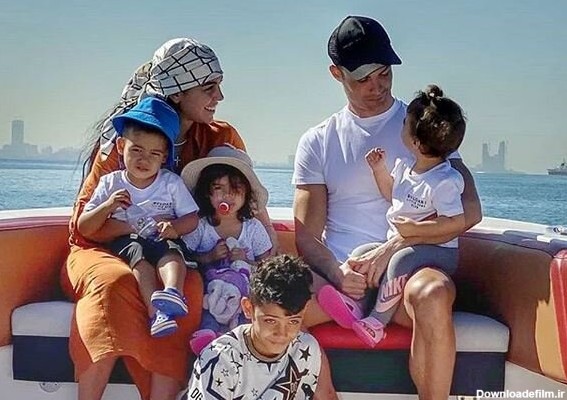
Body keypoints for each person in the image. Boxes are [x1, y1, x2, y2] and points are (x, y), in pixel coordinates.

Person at [61, 38, 275, 400]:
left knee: (186, 289)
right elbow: (83, 229)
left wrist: (270, 260)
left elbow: (249, 202)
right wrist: (132, 228)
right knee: (114, 282)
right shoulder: (124, 140)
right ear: (177, 92)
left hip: (170, 246)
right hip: (104, 246)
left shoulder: (221, 136)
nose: (219, 96)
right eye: (209, 87)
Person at [292, 16, 482, 400]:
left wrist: (393, 248)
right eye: (363, 78)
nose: (377, 86)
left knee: (434, 292)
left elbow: (470, 213)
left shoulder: (426, 126)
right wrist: (339, 273)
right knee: (276, 304)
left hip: (409, 275)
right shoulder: (318, 141)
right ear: (337, 74)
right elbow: (306, 237)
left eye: (384, 73)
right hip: (343, 281)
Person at [318, 84, 467, 348]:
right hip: (404, 242)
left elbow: (456, 222)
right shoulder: (406, 169)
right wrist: (378, 170)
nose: (402, 126)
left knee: (399, 261)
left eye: (405, 124)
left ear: (416, 143)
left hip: (439, 250)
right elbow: (392, 195)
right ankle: (356, 304)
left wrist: (414, 229)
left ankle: (377, 323)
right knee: (363, 253)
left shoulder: (445, 181)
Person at [78, 96, 200, 338]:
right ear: (121, 146)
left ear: (164, 157)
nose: (144, 160)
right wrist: (108, 206)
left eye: (154, 153)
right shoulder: (111, 182)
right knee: (139, 258)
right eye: (136, 150)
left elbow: (192, 218)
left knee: (172, 251)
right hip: (129, 239)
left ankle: (173, 293)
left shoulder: (170, 183)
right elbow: (84, 226)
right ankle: (157, 314)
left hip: (162, 235)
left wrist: (174, 227)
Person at [185, 254, 338, 400]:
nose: (282, 333)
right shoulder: (219, 360)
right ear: (248, 308)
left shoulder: (306, 347)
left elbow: (327, 395)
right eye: (271, 321)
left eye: (293, 321)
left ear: (303, 313)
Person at [180, 145, 273, 353]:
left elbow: (267, 266)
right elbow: (185, 257)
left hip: (245, 298)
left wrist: (246, 261)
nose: (227, 196)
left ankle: (243, 342)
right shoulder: (200, 226)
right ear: (207, 193)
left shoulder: (253, 228)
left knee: (246, 315)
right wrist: (209, 257)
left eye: (235, 189)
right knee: (208, 314)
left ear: (246, 194)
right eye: (219, 188)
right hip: (210, 296)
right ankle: (207, 339)